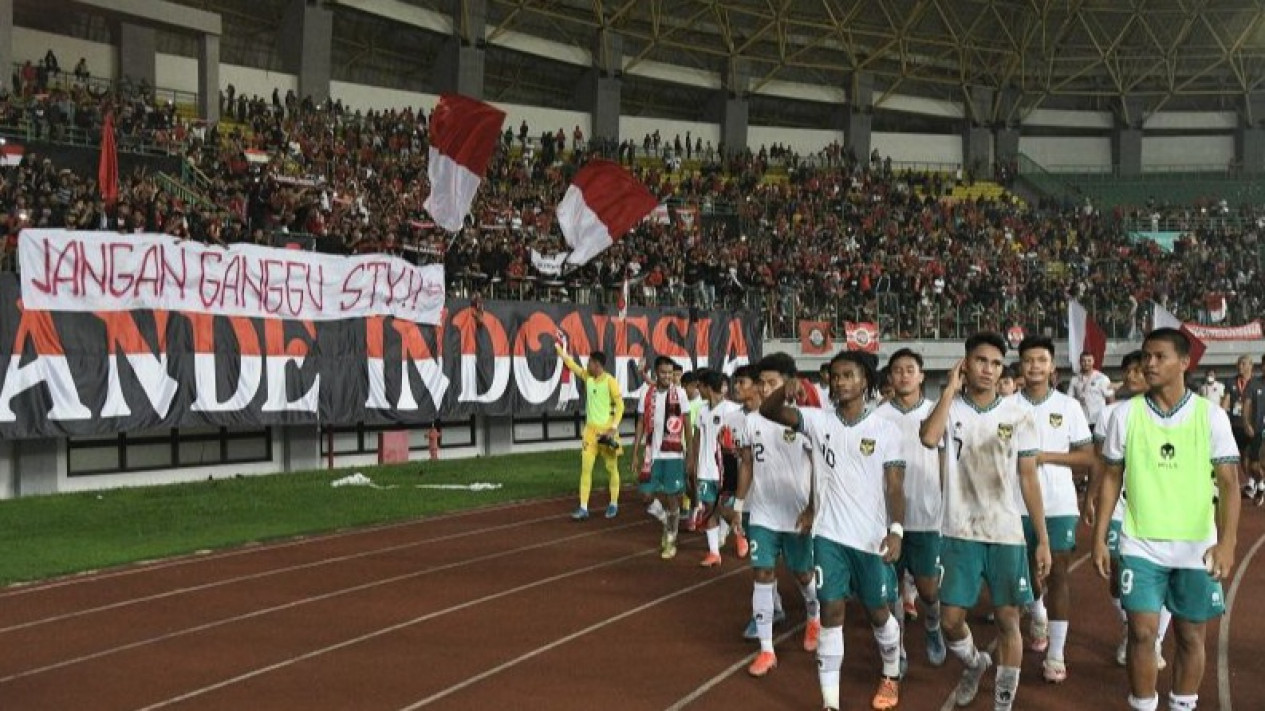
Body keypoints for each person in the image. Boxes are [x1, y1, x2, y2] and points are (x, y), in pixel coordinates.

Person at [1093, 328, 1242, 711]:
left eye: (1160, 356)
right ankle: (1143, 705)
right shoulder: (1125, 414)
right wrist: (1099, 537)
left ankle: (1182, 705)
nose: (1150, 363)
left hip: (1196, 547)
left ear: (1184, 363)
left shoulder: (1211, 416)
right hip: (1140, 544)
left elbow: (1229, 483)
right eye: (1146, 356)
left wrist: (1227, 542)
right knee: (1142, 634)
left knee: (1191, 637)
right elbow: (1111, 477)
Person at [759, 350, 906, 711]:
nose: (839, 382)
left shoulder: (886, 430)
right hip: (829, 537)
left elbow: (894, 487)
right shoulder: (816, 420)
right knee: (831, 613)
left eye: (848, 375)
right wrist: (783, 391)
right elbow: (769, 411)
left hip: (870, 539)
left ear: (865, 381)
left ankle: (890, 673)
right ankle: (830, 702)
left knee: (878, 613)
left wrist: (896, 530)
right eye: (835, 376)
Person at [919, 332, 1051, 711]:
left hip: (1005, 533)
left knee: (1009, 620)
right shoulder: (949, 409)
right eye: (980, 361)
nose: (988, 369)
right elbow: (928, 438)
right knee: (950, 620)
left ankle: (1002, 704)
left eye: (995, 363)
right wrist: (949, 390)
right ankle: (976, 663)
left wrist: (1042, 539)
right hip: (958, 531)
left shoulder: (1018, 415)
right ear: (965, 363)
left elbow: (1029, 478)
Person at [1010, 335, 1094, 682]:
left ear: (1051, 367)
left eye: (1041, 360)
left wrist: (1044, 457)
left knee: (1058, 573)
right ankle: (1037, 611)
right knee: (1027, 572)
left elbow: (1088, 457)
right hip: (1015, 505)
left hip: (1059, 504)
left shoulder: (1069, 407)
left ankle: (1056, 653)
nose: (1034, 366)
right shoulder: (1007, 406)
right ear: (1021, 366)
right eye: (1028, 360)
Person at [1085, 350, 1172, 669]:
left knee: (1163, 576)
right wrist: (1091, 496)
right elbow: (1101, 462)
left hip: (1160, 511)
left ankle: (1155, 640)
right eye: (1129, 371)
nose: (1134, 375)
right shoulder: (1112, 414)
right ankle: (1129, 626)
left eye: (1139, 370)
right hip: (1120, 507)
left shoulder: (1171, 414)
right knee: (1116, 572)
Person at [735, 353, 820, 677]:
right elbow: (747, 464)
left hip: (796, 513)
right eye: (762, 383)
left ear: (789, 383)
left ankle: (814, 617)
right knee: (762, 574)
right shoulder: (751, 420)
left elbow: (818, 467)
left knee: (803, 575)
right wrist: (739, 505)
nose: (765, 388)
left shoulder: (804, 419)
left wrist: (812, 507)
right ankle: (767, 649)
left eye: (772, 382)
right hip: (763, 513)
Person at [874, 348, 947, 672]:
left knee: (928, 590)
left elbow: (944, 461)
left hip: (927, 516)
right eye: (897, 370)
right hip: (888, 519)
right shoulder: (878, 416)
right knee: (891, 592)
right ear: (890, 377)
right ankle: (899, 650)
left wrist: (946, 503)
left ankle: (933, 626)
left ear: (921, 376)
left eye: (909, 369)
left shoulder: (935, 412)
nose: (903, 375)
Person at [632, 356, 693, 559]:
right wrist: (635, 453)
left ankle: (671, 540)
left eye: (670, 373)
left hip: (674, 455)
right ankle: (667, 522)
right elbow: (640, 423)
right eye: (663, 373)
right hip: (652, 453)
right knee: (646, 496)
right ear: (656, 373)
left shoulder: (680, 393)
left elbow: (687, 425)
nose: (667, 376)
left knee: (672, 498)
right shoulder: (646, 393)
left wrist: (690, 455)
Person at [555, 343, 624, 521]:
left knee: (612, 469)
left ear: (597, 365)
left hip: (607, 433)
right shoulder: (588, 377)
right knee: (586, 470)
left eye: (589, 362)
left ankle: (613, 503)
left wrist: (613, 428)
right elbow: (573, 365)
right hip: (590, 433)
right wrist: (560, 351)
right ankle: (583, 507)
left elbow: (620, 406)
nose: (586, 365)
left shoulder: (610, 381)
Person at [688, 369, 743, 566]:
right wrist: (692, 460)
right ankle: (714, 553)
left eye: (700, 386)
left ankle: (739, 533)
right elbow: (697, 437)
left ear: (708, 387)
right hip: (705, 469)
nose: (698, 390)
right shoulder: (702, 411)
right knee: (708, 509)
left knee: (723, 508)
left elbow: (741, 437)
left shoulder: (732, 410)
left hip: (725, 469)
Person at [1069, 351, 1113, 431]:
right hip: (1082, 420)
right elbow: (1070, 399)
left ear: (1093, 361)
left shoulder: (1102, 378)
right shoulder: (1074, 379)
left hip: (1099, 420)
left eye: (1089, 361)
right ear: (1080, 362)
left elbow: (1110, 400)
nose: (1086, 363)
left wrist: (1109, 419)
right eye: (1084, 361)